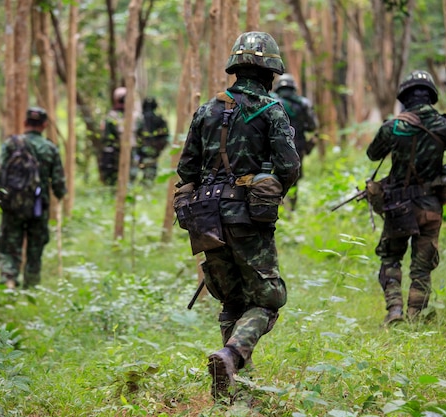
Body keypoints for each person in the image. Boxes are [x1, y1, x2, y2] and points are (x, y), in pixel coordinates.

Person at [175, 31, 300, 400]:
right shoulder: (272, 110)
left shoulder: (207, 109)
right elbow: (289, 166)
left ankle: (230, 390)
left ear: (235, 68)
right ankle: (231, 354)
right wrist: (266, 185)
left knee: (231, 300)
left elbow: (187, 170)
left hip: (206, 217)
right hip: (247, 219)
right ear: (271, 71)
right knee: (267, 299)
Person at [366, 70, 446, 325]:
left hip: (397, 207)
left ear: (405, 97)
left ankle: (394, 311)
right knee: (422, 265)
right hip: (430, 206)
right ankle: (417, 313)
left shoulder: (393, 127)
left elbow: (373, 154)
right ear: (431, 97)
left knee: (391, 258)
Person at [0, 106, 67, 289]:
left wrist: (0, 199)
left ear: (25, 123)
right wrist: (60, 195)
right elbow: (58, 181)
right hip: (38, 206)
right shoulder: (50, 148)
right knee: (35, 247)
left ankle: (9, 278)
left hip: (14, 204)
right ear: (44, 125)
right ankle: (31, 286)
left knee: (9, 243)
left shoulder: (11, 144)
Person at [272, 73, 318, 209]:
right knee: (294, 175)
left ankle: (275, 205)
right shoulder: (303, 103)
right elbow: (312, 126)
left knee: (271, 173)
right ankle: (291, 207)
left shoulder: (270, 101)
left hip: (273, 145)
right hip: (297, 145)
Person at [134, 97, 169, 184]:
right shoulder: (159, 119)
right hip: (151, 151)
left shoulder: (140, 120)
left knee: (140, 173)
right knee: (148, 175)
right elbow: (166, 136)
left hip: (142, 150)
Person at [99, 86, 127, 186]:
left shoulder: (111, 116)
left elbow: (105, 136)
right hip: (122, 152)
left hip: (113, 152)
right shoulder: (135, 116)